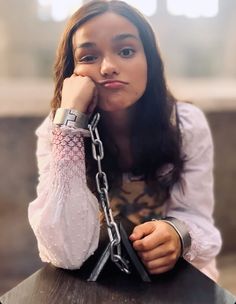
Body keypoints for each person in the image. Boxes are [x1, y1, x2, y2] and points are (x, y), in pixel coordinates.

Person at [28, 0, 222, 281]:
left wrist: (177, 235)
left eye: (126, 51)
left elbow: (199, 217)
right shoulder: (56, 131)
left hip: (173, 279)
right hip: (98, 279)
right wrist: (69, 127)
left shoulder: (185, 125)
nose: (108, 67)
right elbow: (65, 253)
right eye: (89, 57)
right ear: (72, 71)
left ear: (149, 62)